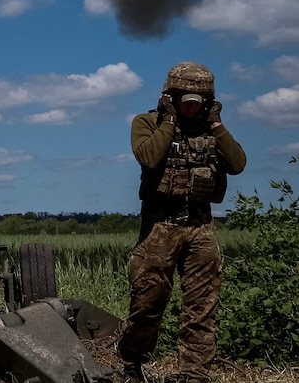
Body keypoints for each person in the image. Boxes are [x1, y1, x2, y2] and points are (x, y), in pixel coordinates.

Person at [117, 62, 246, 383]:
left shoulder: (211, 129)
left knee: (202, 305)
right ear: (170, 97)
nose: (192, 107)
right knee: (149, 300)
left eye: (198, 102)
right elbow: (149, 157)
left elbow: (238, 163)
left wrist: (216, 123)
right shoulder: (147, 122)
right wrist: (169, 122)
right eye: (184, 100)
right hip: (160, 226)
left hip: (201, 227)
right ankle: (132, 365)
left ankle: (194, 372)